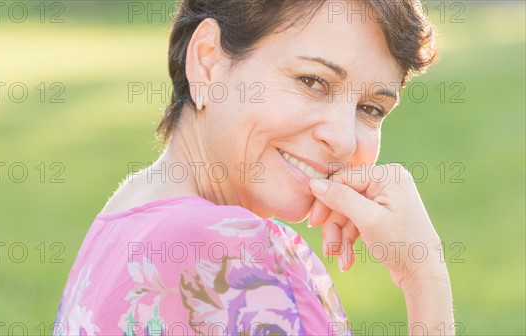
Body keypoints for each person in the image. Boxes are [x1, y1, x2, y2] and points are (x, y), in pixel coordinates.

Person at [53, 0, 454, 335]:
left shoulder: (124, 217)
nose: (344, 140)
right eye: (312, 81)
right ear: (207, 61)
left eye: (370, 109)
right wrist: (424, 279)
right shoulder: (236, 255)